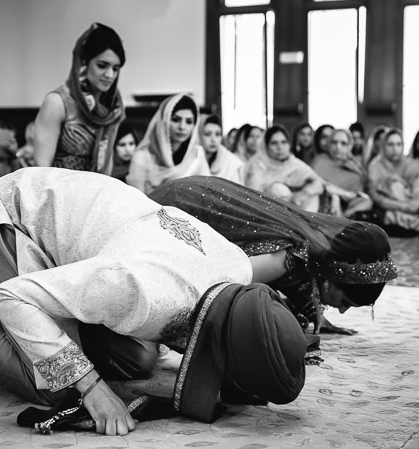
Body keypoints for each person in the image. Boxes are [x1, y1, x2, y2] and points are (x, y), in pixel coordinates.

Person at [0, 167, 309, 434]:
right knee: (57, 387)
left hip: (86, 239)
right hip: (18, 214)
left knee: (138, 362)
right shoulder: (140, 290)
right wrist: (92, 386)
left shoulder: (237, 270)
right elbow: (15, 297)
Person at [149, 175, 398, 336]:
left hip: (193, 191)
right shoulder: (286, 256)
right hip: (178, 209)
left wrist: (313, 313)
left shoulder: (313, 249)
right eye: (345, 302)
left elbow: (300, 279)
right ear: (334, 276)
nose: (341, 311)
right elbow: (222, 285)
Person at [33, 23, 125, 174]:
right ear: (83, 63)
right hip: (60, 193)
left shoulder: (112, 107)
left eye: (115, 68)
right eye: (102, 66)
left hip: (97, 192)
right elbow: (41, 168)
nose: (110, 75)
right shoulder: (58, 102)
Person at [127, 93, 210, 194]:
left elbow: (206, 191)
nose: (182, 127)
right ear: (164, 121)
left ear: (194, 125)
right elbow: (136, 199)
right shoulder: (143, 156)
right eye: (175, 120)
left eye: (189, 122)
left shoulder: (197, 155)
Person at [366, 128, 419, 237]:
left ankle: (410, 219)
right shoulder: (375, 166)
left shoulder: (408, 162)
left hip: (409, 202)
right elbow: (375, 196)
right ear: (383, 146)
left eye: (398, 144)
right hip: (389, 206)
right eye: (390, 144)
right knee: (395, 185)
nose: (395, 149)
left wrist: (418, 202)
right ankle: (416, 223)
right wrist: (403, 206)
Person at [244, 125, 327, 212]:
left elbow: (320, 182)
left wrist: (304, 193)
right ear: (266, 147)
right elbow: (254, 196)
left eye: (283, 142)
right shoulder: (257, 164)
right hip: (270, 212)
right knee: (277, 188)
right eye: (274, 143)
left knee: (313, 194)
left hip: (299, 210)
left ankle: (304, 224)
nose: (280, 147)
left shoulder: (293, 162)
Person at [311, 128, 373, 220]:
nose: (338, 147)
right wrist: (339, 195)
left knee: (367, 202)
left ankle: (344, 218)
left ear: (350, 146)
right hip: (324, 203)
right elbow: (316, 184)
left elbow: (360, 190)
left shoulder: (354, 165)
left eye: (343, 143)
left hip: (349, 206)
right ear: (328, 144)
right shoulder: (319, 161)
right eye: (334, 142)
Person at [199, 114, 245, 184]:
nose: (213, 139)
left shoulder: (232, 162)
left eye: (217, 134)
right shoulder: (193, 158)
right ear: (199, 135)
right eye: (207, 134)